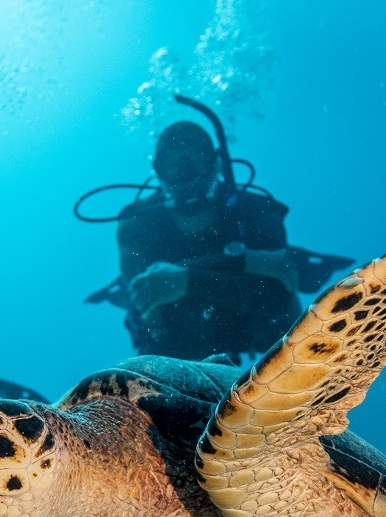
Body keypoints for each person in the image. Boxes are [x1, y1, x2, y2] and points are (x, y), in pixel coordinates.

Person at [113, 118, 305, 361]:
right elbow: (145, 302)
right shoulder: (136, 223)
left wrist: (185, 278)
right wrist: (246, 260)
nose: (187, 174)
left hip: (248, 328)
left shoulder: (256, 211)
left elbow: (279, 297)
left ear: (216, 163)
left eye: (198, 159)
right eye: (173, 164)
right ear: (158, 171)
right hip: (180, 342)